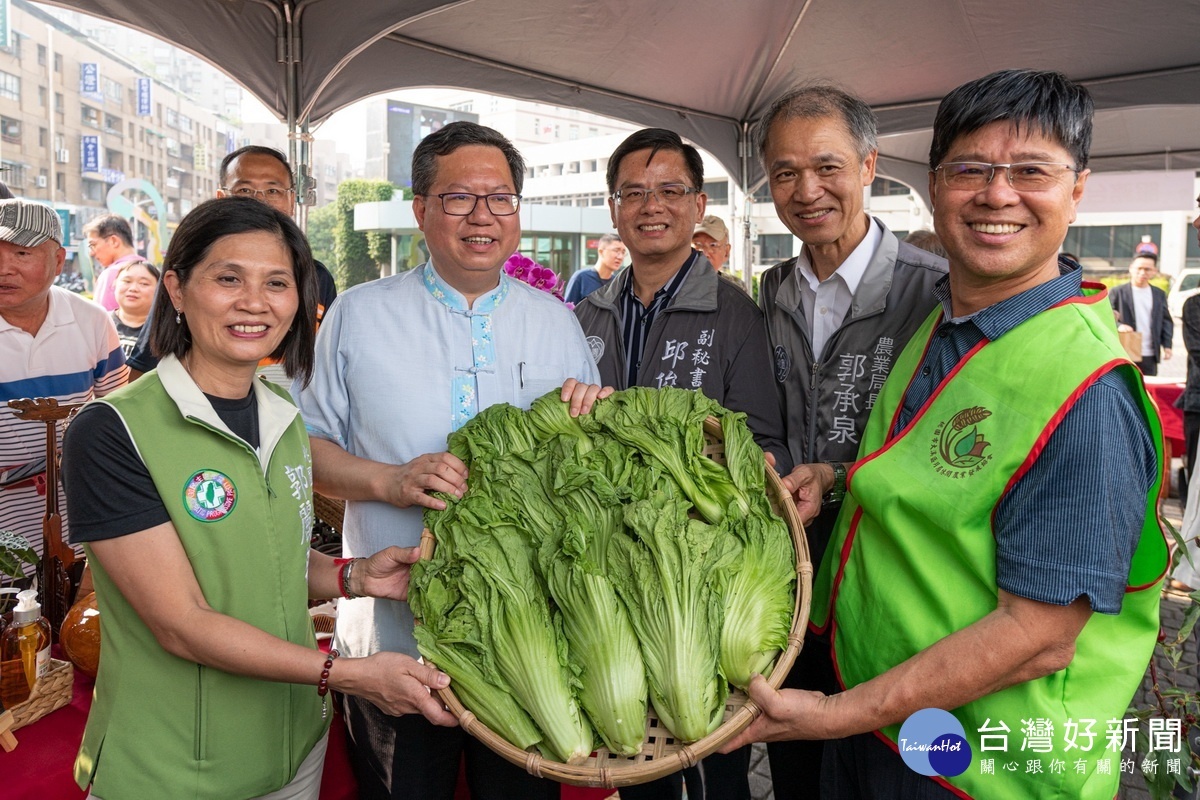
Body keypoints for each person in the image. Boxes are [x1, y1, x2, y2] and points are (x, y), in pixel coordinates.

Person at [724, 69, 1165, 800]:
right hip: (882, 719)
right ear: (934, 185)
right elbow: (925, 480)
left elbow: (1039, 634)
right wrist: (836, 477)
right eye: (971, 170)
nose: (997, 194)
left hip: (976, 767)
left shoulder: (1085, 390)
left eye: (1031, 172)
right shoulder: (943, 326)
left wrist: (838, 712)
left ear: (1076, 190)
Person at [60, 197, 456, 799]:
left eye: (277, 282)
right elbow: (182, 625)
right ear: (177, 287)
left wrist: (354, 577)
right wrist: (346, 674)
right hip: (177, 767)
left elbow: (270, 563)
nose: (255, 302)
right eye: (228, 278)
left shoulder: (284, 415)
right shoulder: (114, 431)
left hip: (292, 746)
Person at [295, 121, 606, 800]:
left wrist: (594, 417)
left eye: (500, 199)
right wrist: (391, 479)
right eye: (459, 198)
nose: (482, 216)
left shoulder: (555, 321)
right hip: (395, 645)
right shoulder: (357, 315)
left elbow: (589, 463)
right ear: (421, 211)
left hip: (531, 647)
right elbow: (305, 453)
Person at [574, 127, 788, 800]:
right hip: (613, 568)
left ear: (698, 206)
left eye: (670, 190)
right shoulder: (586, 316)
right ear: (613, 210)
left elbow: (761, 443)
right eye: (633, 193)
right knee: (637, 757)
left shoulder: (734, 314)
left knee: (712, 763)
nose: (651, 206)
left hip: (697, 573)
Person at [754, 84, 946, 799]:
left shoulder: (934, 292)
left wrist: (836, 473)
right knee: (798, 761)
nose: (807, 190)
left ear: (869, 167)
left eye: (827, 166)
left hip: (891, 582)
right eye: (784, 173)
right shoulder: (769, 292)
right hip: (790, 580)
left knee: (892, 764)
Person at [125, 145, 338, 380]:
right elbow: (147, 364)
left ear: (290, 200)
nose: (259, 201)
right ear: (221, 197)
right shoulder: (191, 268)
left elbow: (325, 369)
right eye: (245, 189)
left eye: (273, 190)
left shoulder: (319, 278)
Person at [0, 199, 127, 569]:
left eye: (21, 253)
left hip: (80, 516)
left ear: (58, 261)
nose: (4, 268)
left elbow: (118, 419)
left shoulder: (92, 322)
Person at [1109, 252, 1173, 375]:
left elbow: (1165, 320)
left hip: (1150, 353)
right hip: (1125, 351)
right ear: (1131, 268)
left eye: (1147, 269)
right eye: (1139, 268)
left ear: (1154, 271)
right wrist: (1119, 326)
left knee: (1148, 389)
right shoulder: (1117, 292)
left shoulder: (1158, 294)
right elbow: (1105, 316)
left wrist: (1167, 345)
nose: (1143, 273)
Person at [83, 214, 145, 312]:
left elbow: (100, 321)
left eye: (93, 245)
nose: (91, 253)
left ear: (113, 241)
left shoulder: (112, 274)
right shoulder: (152, 272)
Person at [110, 260, 159, 356]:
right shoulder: (100, 322)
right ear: (114, 284)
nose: (133, 288)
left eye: (144, 283)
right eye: (127, 281)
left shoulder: (165, 330)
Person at [563, 232, 626, 304]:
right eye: (616, 250)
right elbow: (567, 310)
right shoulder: (581, 278)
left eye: (623, 252)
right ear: (601, 252)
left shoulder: (617, 283)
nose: (620, 256)